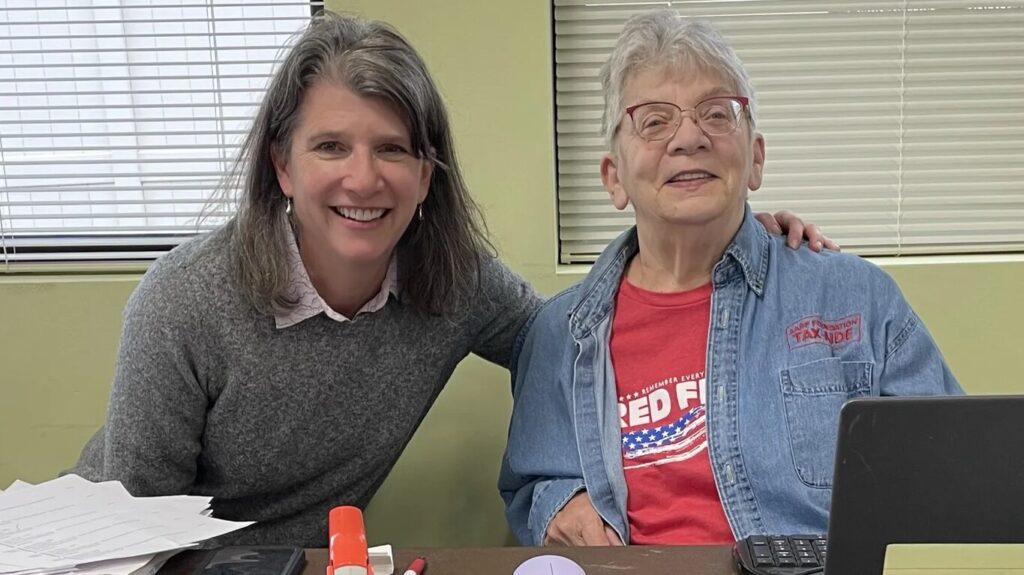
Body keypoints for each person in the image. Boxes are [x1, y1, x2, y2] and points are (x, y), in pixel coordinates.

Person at [68, 11, 833, 547]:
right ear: (282, 165)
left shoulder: (453, 279)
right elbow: (137, 528)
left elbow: (577, 343)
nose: (363, 179)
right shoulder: (184, 299)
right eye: (331, 146)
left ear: (428, 172)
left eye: (393, 149)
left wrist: (731, 233)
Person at [498, 10, 963, 548]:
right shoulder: (560, 332)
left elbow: (953, 467)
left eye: (717, 114)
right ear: (614, 177)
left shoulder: (856, 298)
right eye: (654, 121)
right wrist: (559, 500)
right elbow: (531, 483)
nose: (689, 137)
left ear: (755, 159)